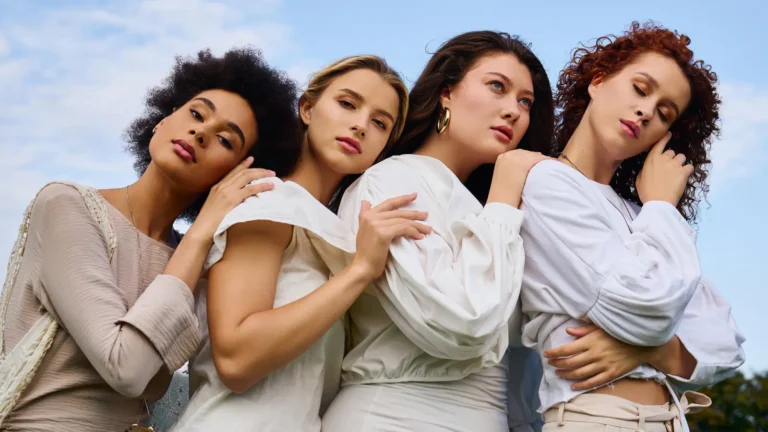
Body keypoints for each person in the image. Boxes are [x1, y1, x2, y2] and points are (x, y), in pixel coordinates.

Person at [0, 47, 300, 432]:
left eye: (226, 140)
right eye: (196, 114)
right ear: (161, 121)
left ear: (235, 175)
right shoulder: (66, 206)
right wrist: (202, 231)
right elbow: (124, 366)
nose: (201, 133)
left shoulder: (198, 261)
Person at [172, 55, 420, 431]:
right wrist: (360, 271)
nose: (360, 125)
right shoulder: (269, 201)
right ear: (307, 108)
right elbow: (237, 359)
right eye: (347, 104)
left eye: (379, 123)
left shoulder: (335, 230)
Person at [321, 31, 555, 431]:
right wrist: (503, 197)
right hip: (394, 417)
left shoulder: (491, 213)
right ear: (446, 93)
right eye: (497, 86)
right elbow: (462, 325)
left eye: (525, 102)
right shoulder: (392, 181)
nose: (513, 111)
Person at [519, 22, 746, 431]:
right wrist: (661, 205)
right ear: (598, 82)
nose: (646, 112)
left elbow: (726, 341)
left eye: (664, 114)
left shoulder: (645, 218)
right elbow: (647, 307)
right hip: (597, 419)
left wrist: (650, 352)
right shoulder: (547, 183)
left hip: (670, 421)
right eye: (641, 89)